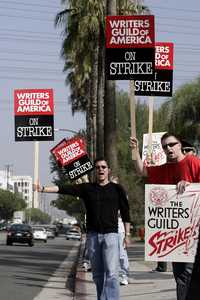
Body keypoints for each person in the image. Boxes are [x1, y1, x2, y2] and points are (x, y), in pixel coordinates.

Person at [34, 158, 131, 300]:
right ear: (95, 171)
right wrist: (42, 189)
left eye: (103, 167)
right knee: (97, 274)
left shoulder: (117, 189)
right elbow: (65, 189)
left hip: (111, 235)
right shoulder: (87, 188)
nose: (101, 169)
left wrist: (127, 234)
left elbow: (125, 212)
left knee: (111, 273)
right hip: (93, 236)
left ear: (108, 170)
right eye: (97, 167)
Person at [130, 132, 200, 300]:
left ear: (180, 145)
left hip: (194, 232)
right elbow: (141, 171)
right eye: (164, 146)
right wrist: (135, 151)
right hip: (175, 235)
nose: (168, 148)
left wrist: (191, 186)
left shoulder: (193, 162)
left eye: (171, 144)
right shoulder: (165, 168)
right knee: (181, 276)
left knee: (189, 275)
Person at [118, 213, 129, 285]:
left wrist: (127, 235)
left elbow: (126, 217)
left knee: (121, 255)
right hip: (105, 231)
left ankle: (124, 276)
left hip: (119, 231)